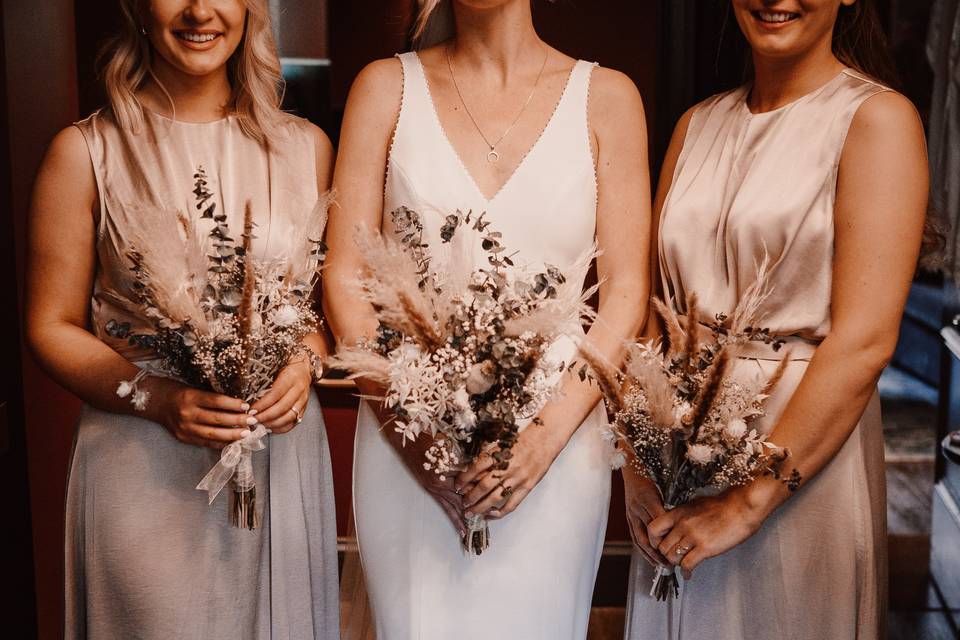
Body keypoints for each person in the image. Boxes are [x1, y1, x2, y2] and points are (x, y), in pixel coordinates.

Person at [323, 0, 650, 637]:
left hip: (557, 438)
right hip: (409, 432)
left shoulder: (607, 98)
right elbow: (344, 276)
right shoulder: (384, 88)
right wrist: (408, 428)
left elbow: (627, 293)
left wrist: (543, 441)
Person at [25, 1, 338, 637]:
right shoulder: (87, 151)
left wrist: (306, 361)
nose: (200, 10)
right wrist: (156, 398)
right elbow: (48, 326)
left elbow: (316, 314)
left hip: (279, 454)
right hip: (144, 461)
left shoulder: (306, 148)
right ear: (139, 6)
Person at [623, 1, 928, 638]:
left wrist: (748, 501)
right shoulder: (695, 126)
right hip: (676, 449)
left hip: (800, 458)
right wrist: (635, 461)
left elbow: (865, 342)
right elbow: (653, 315)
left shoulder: (877, 120)